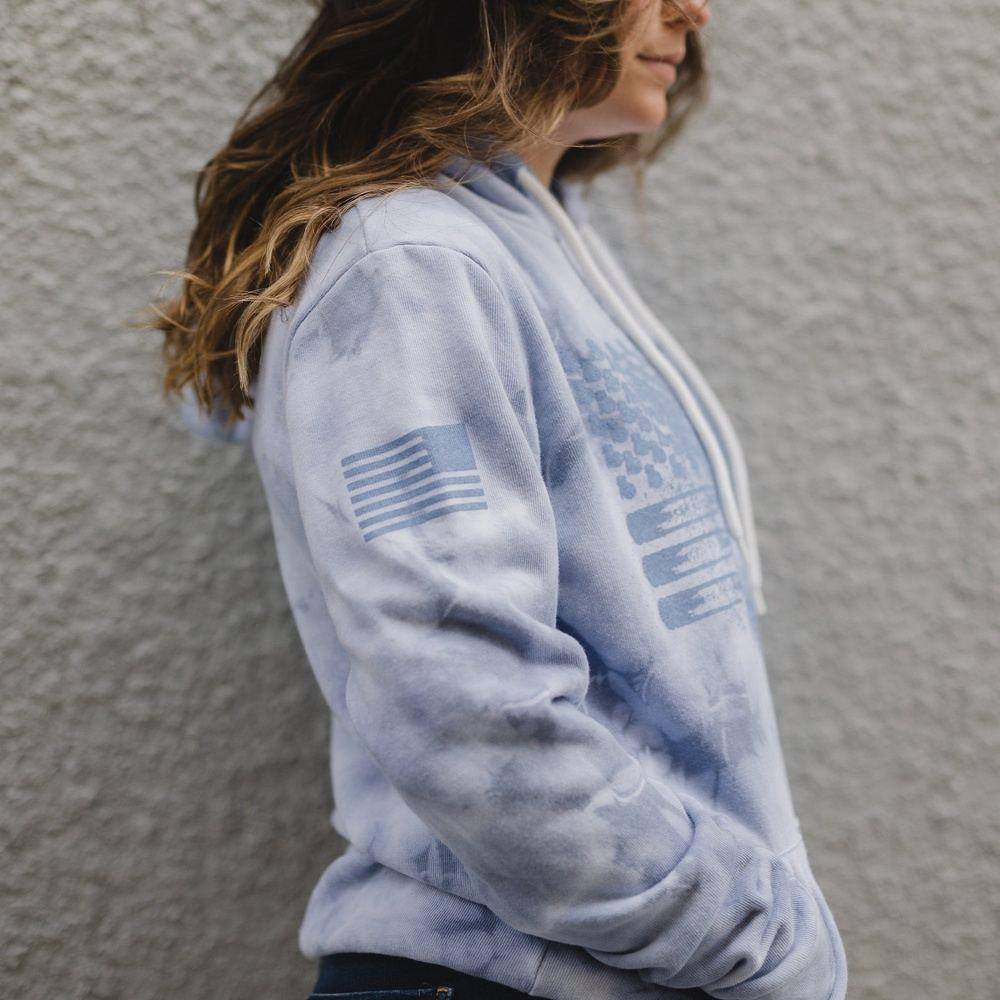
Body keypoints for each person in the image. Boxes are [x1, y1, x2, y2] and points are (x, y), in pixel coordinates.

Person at [150, 1, 849, 998]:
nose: (693, 9)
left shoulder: (523, 239)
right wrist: (754, 939)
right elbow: (466, 703)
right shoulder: (412, 266)